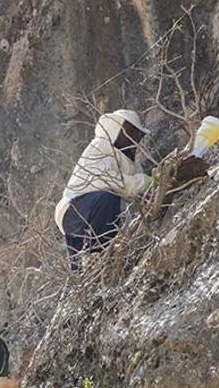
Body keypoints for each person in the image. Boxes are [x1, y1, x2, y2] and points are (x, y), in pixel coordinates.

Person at [54, 109, 153, 269]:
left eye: (136, 133)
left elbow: (136, 191)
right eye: (130, 131)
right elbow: (111, 181)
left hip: (86, 216)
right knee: (108, 199)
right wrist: (147, 182)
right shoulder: (100, 147)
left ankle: (89, 276)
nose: (133, 138)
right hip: (74, 208)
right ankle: (96, 254)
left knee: (81, 271)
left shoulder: (129, 162)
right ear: (117, 128)